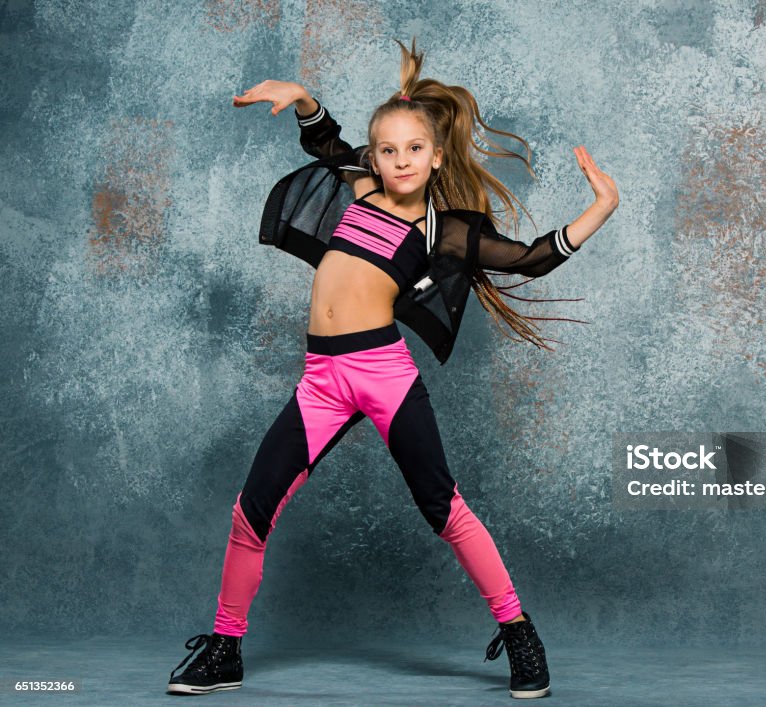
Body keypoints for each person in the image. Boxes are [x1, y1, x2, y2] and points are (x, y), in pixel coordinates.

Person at [167, 38, 618, 699]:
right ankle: (226, 646)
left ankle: (519, 630)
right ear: (374, 157)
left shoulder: (444, 229)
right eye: (388, 150)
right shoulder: (363, 186)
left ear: (436, 157)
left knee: (445, 507)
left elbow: (528, 257)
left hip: (383, 373)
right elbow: (325, 144)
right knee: (250, 510)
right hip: (321, 380)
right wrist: (304, 100)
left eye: (414, 149)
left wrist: (600, 209)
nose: (400, 160)